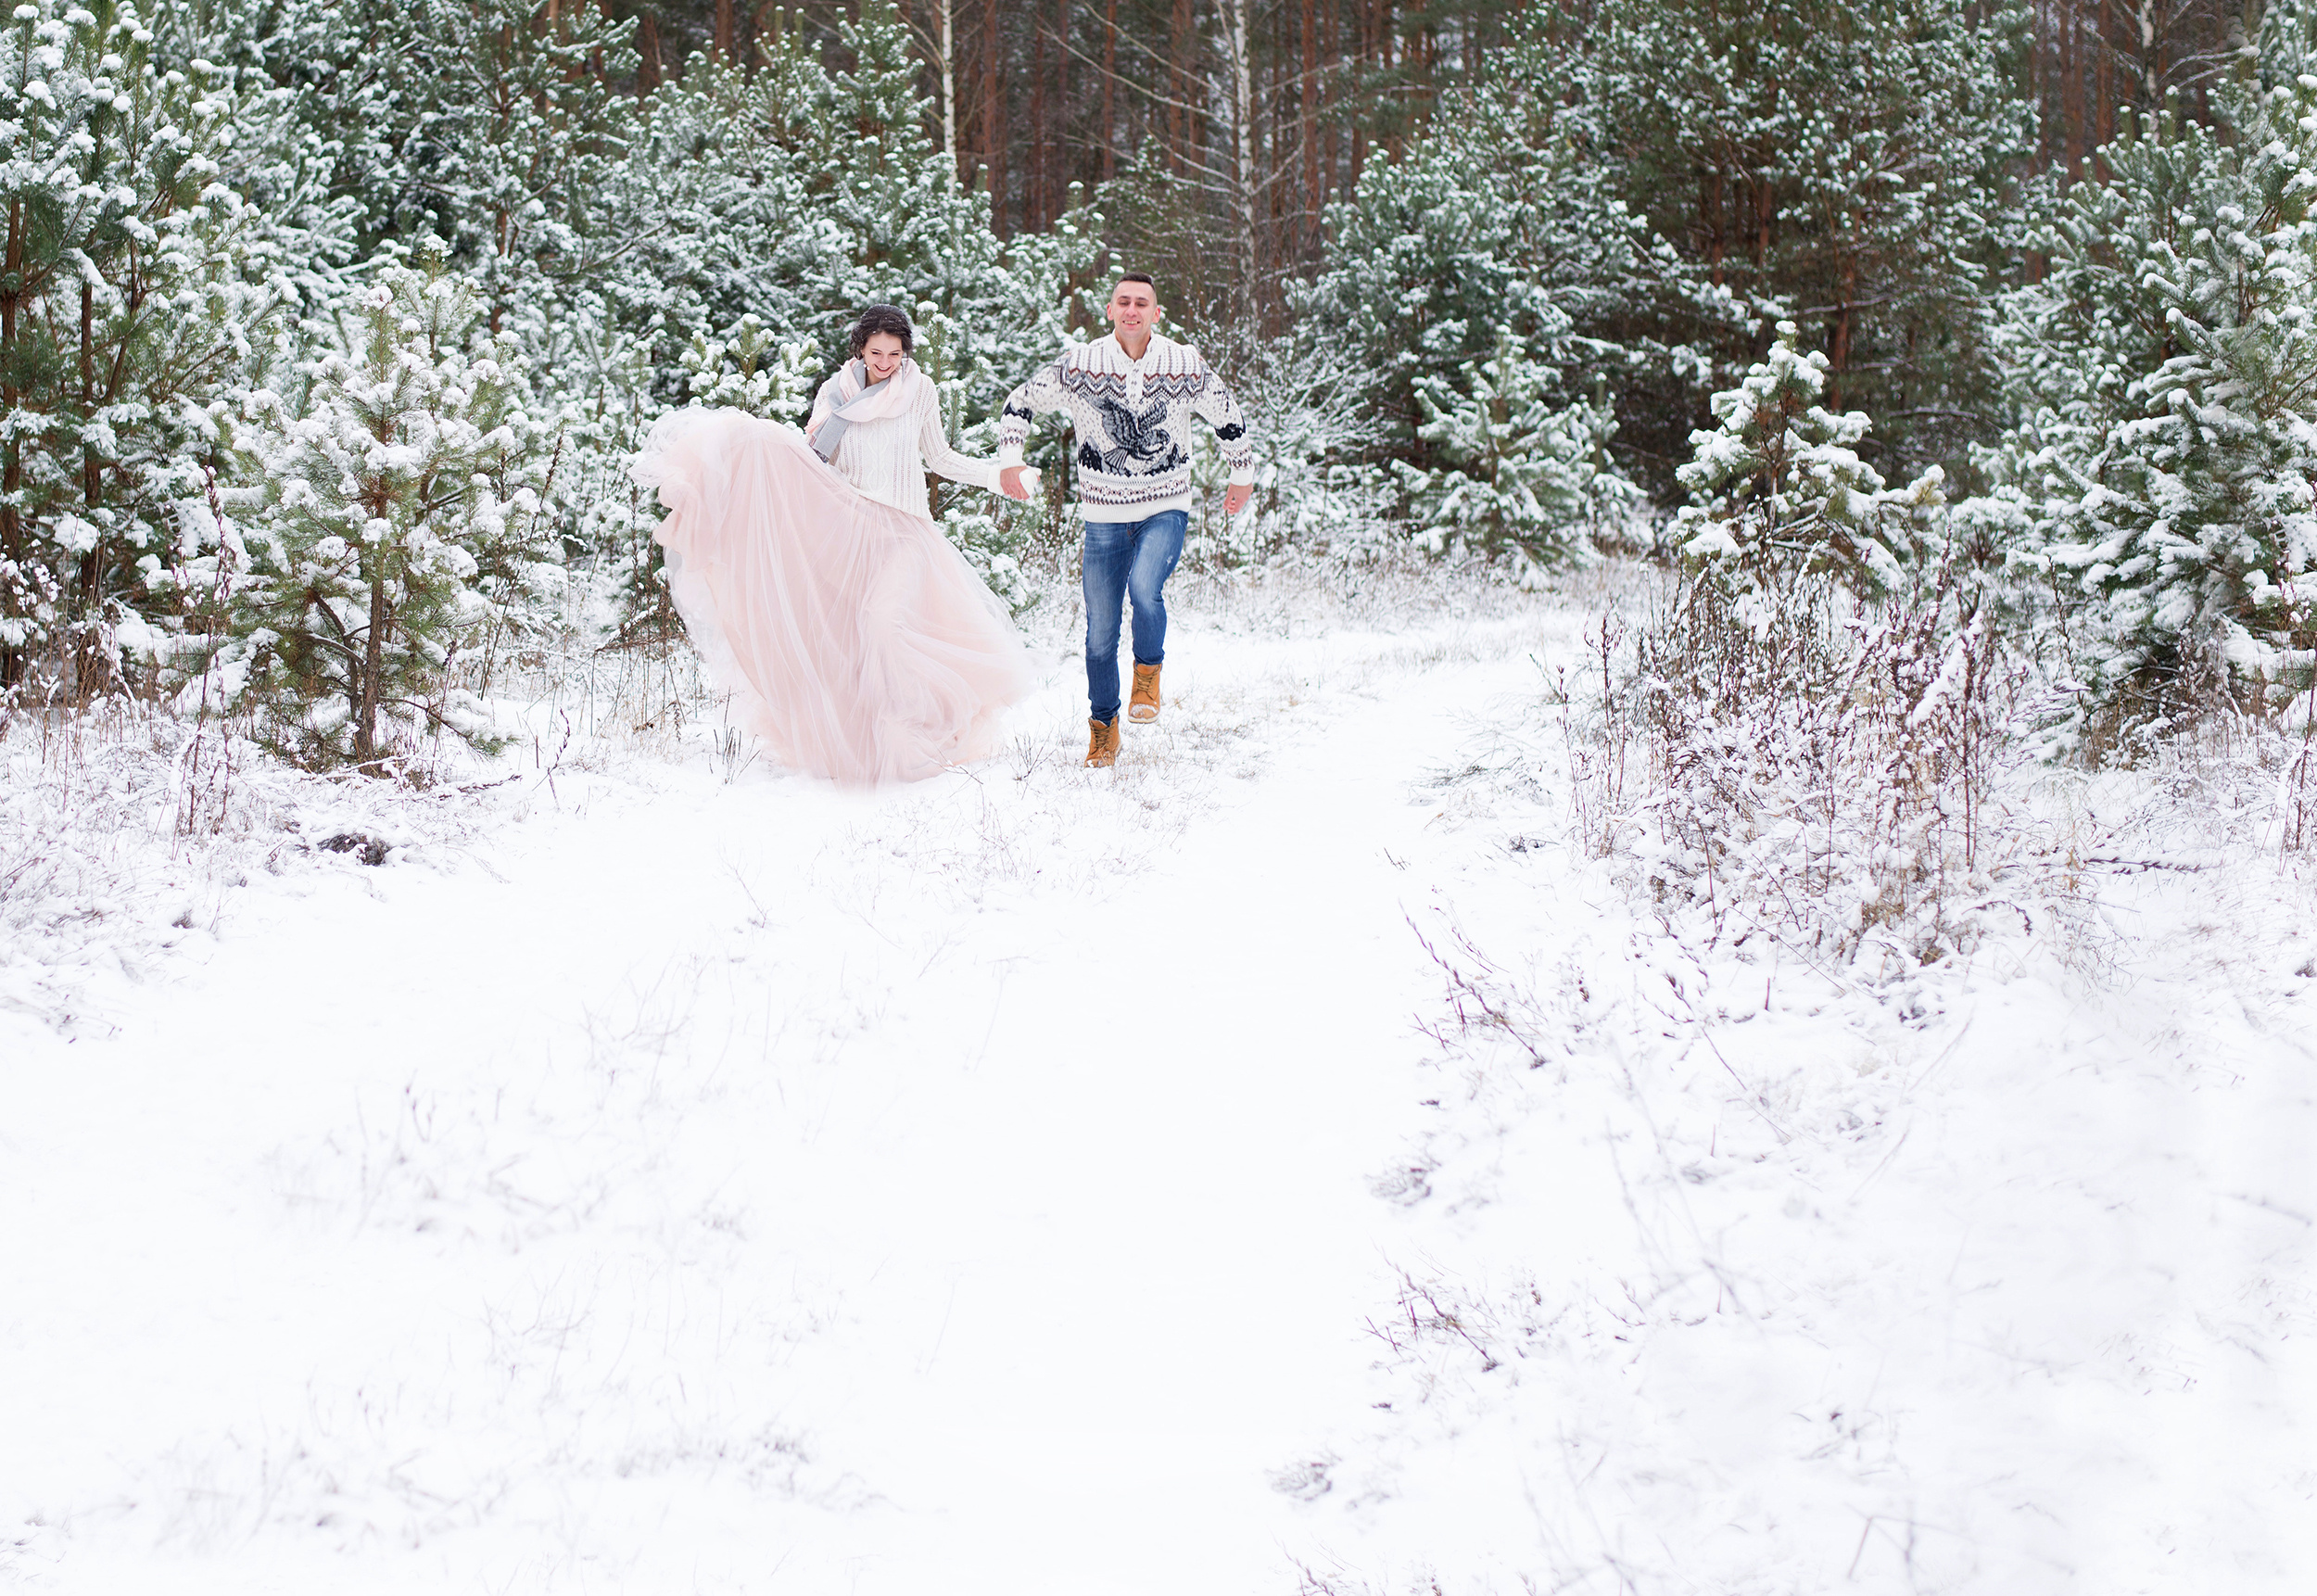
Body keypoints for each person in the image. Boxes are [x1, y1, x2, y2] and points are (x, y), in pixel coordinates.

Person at [631, 305, 1034, 786]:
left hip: (904, 530)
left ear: (906, 353)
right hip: (849, 527)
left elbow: (940, 457)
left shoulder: (920, 390)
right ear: (860, 349)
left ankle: (910, 735)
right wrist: (760, 454)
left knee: (884, 624)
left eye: (895, 354)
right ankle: (862, 742)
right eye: (876, 353)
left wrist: (996, 476)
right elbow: (815, 460)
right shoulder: (836, 393)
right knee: (847, 637)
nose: (885, 363)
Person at [995, 273, 1254, 767]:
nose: (1132, 310)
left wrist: (1241, 474)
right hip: (1103, 514)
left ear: (1156, 313)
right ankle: (1104, 729)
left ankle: (1148, 672)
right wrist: (1010, 459)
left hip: (1166, 503)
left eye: (1142, 303)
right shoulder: (1080, 364)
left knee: (1144, 587)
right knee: (1099, 634)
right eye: (1124, 302)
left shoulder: (1183, 362)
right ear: (1110, 310)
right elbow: (1021, 401)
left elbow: (1226, 412)